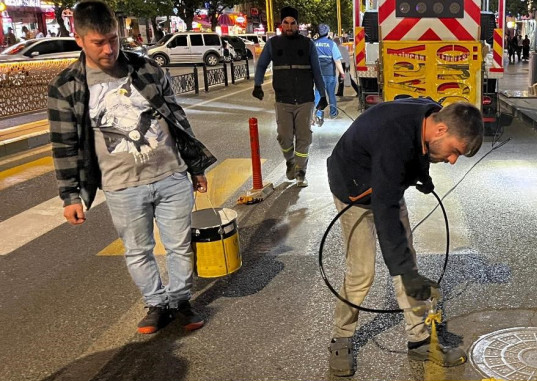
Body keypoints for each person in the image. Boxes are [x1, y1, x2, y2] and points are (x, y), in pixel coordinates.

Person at [48, 1, 216, 334]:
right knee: (138, 250)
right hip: (122, 186)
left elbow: (177, 118)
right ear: (79, 39)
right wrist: (70, 196)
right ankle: (156, 305)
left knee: (180, 245)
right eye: (99, 42)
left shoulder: (147, 69)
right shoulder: (67, 86)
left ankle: (181, 300)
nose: (109, 48)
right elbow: (65, 145)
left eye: (113, 38)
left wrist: (196, 167)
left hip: (171, 175)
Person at [325, 98, 484, 377]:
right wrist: (404, 271)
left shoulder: (431, 115)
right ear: (440, 131)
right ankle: (342, 337)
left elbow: (418, 151)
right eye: (454, 151)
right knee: (363, 271)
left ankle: (419, 340)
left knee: (407, 265)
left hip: (387, 181)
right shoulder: (393, 143)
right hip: (353, 189)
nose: (451, 160)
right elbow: (385, 211)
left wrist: (421, 174)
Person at [252, 7, 328, 187]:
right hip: (283, 100)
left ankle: (301, 171)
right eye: (286, 23)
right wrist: (257, 84)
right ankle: (290, 160)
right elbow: (262, 65)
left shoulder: (308, 44)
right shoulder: (273, 44)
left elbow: (317, 72)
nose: (289, 26)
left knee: (304, 137)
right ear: (281, 24)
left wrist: (322, 95)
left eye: (293, 23)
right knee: (284, 136)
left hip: (305, 99)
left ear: (297, 25)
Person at [313, 24, 344, 120]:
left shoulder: (314, 44)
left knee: (318, 94)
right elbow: (337, 60)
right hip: (330, 74)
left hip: (318, 75)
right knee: (331, 95)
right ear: (328, 32)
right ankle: (333, 113)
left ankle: (318, 114)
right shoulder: (332, 44)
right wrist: (342, 73)